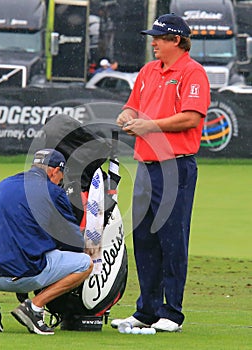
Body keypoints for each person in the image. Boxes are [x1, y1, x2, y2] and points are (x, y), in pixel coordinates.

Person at [111, 13, 210, 332]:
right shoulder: (148, 71)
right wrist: (127, 115)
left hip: (176, 166)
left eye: (159, 37)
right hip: (146, 166)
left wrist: (149, 125)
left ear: (177, 41)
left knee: (172, 239)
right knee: (145, 239)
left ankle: (172, 312)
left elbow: (191, 118)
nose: (153, 42)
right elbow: (133, 105)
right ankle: (146, 311)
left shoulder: (192, 72)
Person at [0, 149, 93, 335]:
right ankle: (34, 307)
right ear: (53, 171)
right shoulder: (53, 192)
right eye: (61, 175)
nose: (60, 181)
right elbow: (74, 243)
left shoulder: (3, 184)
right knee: (85, 264)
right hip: (23, 276)